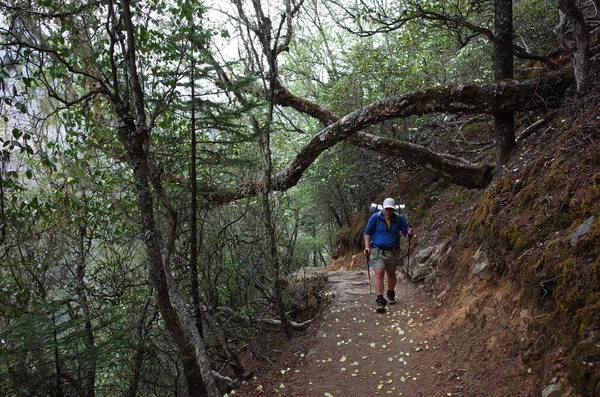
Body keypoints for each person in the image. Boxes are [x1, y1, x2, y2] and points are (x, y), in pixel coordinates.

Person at [364, 198, 413, 312]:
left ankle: (391, 294)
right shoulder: (375, 218)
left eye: (391, 209)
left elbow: (406, 233)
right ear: (383, 208)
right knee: (379, 272)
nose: (388, 212)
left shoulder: (399, 219)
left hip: (393, 251)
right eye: (387, 209)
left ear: (394, 209)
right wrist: (367, 247)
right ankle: (380, 301)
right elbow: (367, 233)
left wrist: (410, 234)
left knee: (391, 274)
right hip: (377, 250)